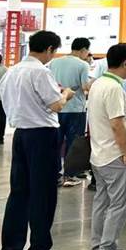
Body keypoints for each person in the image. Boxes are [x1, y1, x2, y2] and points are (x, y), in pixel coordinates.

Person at [0, 31, 74, 250]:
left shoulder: (13, 71)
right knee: (43, 193)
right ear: (49, 49)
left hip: (21, 134)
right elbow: (56, 105)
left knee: (19, 193)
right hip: (42, 135)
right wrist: (66, 94)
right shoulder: (41, 72)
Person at [87, 43, 126, 250]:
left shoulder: (98, 83)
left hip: (98, 154)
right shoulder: (115, 88)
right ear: (125, 63)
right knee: (118, 205)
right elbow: (117, 124)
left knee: (102, 202)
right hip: (115, 155)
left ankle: (97, 247)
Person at [49, 38, 92, 187]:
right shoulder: (83, 64)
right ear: (83, 50)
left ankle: (55, 174)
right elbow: (85, 87)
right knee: (74, 142)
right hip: (76, 109)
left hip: (57, 107)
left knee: (57, 141)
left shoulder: (54, 62)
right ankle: (70, 174)